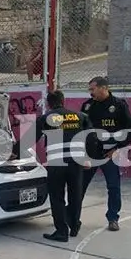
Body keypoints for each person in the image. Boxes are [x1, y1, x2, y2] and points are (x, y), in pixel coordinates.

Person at [35, 90, 93, 242]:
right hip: (76, 163)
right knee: (75, 195)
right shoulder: (80, 116)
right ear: (63, 101)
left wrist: (14, 152)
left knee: (57, 196)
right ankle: (74, 225)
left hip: (57, 163)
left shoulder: (45, 118)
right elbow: (91, 137)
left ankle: (61, 231)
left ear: (49, 104)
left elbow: (31, 138)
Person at [81, 77, 131, 232]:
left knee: (113, 187)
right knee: (80, 185)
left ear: (103, 88)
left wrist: (117, 148)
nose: (90, 93)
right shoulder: (87, 106)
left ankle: (113, 218)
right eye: (89, 90)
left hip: (109, 154)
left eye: (92, 89)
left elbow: (130, 130)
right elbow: (81, 130)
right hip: (90, 154)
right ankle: (71, 215)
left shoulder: (119, 105)